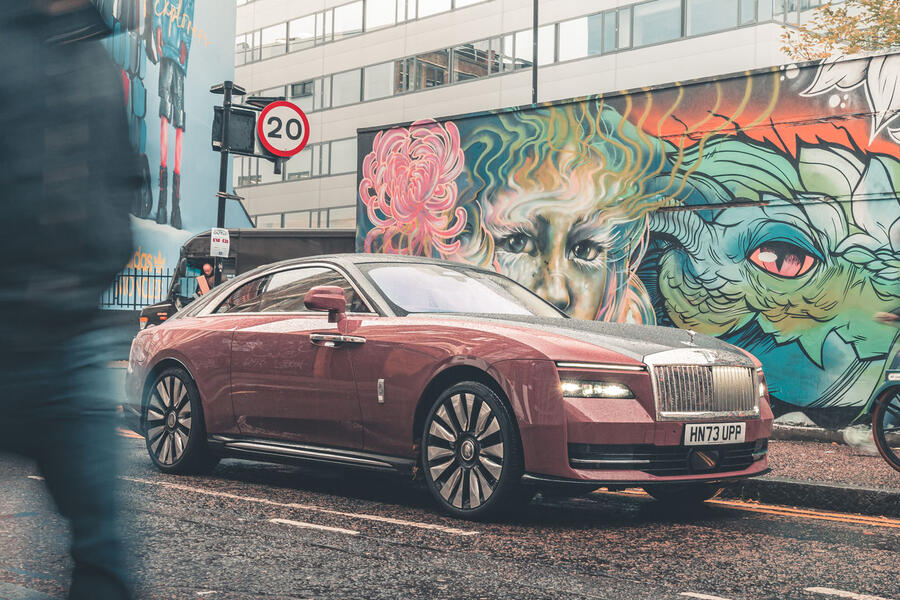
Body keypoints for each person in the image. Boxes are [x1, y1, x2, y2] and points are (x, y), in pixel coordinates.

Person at [0, 1, 137, 598]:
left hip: (72, 339)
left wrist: (101, 260)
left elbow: (120, 179)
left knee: (104, 549)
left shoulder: (98, 61)